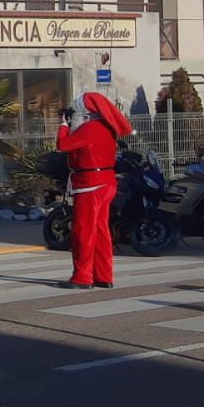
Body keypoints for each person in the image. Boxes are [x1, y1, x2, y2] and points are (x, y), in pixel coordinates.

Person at [57, 92, 133, 289]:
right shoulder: (106, 127)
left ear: (85, 113)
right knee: (101, 230)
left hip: (90, 183)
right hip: (106, 181)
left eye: (74, 113)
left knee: (83, 231)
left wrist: (63, 125)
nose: (72, 116)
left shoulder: (89, 128)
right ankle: (104, 275)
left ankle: (82, 276)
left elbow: (62, 145)